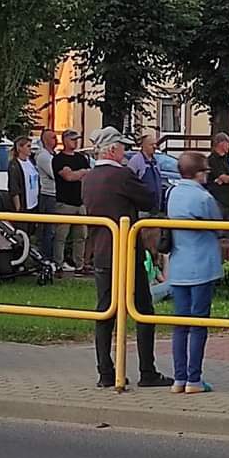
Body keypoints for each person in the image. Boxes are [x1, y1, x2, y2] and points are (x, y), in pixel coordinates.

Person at [83, 126, 172, 389]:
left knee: (105, 311)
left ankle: (105, 372)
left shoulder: (89, 177)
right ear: (112, 149)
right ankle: (147, 371)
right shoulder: (122, 175)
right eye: (122, 147)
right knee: (142, 310)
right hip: (126, 249)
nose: (125, 152)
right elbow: (149, 199)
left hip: (101, 251)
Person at [165, 151, 224, 395]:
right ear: (200, 173)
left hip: (178, 265)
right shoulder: (203, 197)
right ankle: (194, 379)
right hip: (202, 265)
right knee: (199, 323)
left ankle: (179, 378)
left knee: (180, 324)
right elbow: (218, 225)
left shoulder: (172, 193)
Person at [53, 129, 90, 274]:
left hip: (80, 203)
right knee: (61, 236)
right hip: (65, 203)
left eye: (76, 139)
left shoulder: (81, 158)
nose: (75, 142)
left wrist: (77, 173)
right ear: (65, 140)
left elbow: (88, 176)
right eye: (72, 139)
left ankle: (79, 265)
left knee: (81, 236)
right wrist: (81, 173)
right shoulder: (58, 159)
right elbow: (68, 177)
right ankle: (58, 264)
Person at [33, 128, 59, 258]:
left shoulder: (53, 155)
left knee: (54, 229)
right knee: (49, 229)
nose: (56, 140)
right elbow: (55, 174)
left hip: (56, 194)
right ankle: (46, 256)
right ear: (46, 140)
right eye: (53, 137)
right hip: (48, 195)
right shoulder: (43, 156)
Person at [127, 133, 164, 216]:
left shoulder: (155, 162)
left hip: (155, 208)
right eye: (151, 144)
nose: (155, 147)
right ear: (143, 146)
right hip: (142, 210)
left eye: (155, 144)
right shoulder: (135, 161)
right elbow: (129, 183)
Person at [6, 136, 39, 216]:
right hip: (24, 204)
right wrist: (18, 207)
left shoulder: (31, 161)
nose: (30, 149)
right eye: (28, 146)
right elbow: (14, 187)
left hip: (34, 202)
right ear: (20, 148)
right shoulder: (14, 165)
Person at [206, 132, 229, 219]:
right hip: (219, 200)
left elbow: (224, 178)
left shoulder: (225, 160)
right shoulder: (213, 160)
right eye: (228, 143)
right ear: (221, 144)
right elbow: (224, 178)